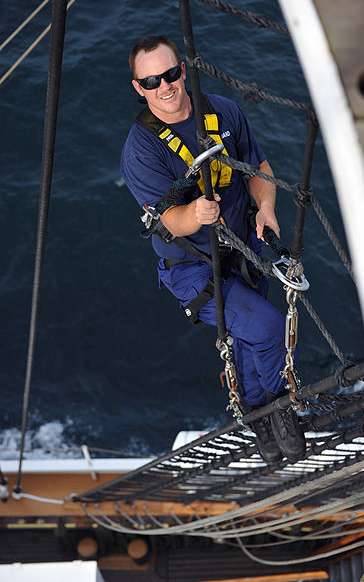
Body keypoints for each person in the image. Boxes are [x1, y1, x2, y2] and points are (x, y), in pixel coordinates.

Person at [121, 35, 305, 463]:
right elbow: (170, 221)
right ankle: (273, 408)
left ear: (182, 71)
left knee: (248, 339)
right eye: (150, 81)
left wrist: (267, 209)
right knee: (268, 329)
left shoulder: (222, 110)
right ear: (138, 88)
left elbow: (257, 166)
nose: (163, 86)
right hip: (193, 267)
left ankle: (258, 416)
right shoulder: (141, 149)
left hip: (244, 248)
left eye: (169, 74)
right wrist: (196, 215)